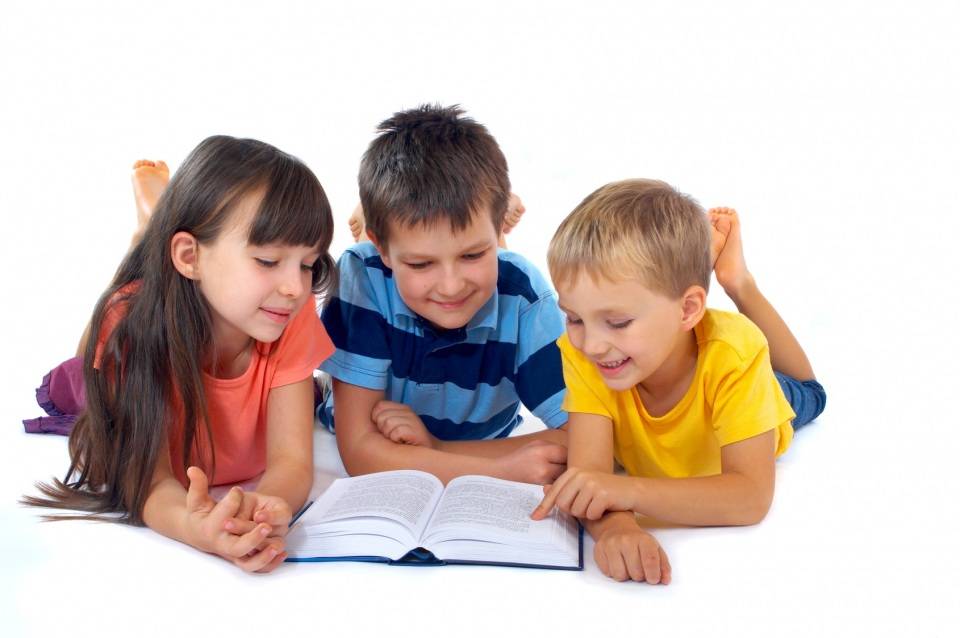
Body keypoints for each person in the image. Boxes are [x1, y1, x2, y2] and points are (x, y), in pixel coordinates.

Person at [25, 136, 336, 573]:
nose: (295, 287)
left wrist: (266, 509)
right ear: (190, 256)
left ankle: (155, 232)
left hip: (190, 293)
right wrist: (194, 527)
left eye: (308, 264)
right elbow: (148, 481)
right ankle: (147, 236)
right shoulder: (130, 330)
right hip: (123, 347)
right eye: (268, 261)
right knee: (90, 359)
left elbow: (292, 462)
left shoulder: (290, 313)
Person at [531, 179, 826, 584]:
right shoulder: (583, 351)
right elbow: (592, 476)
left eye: (618, 322)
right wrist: (618, 528)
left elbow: (751, 497)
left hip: (752, 393)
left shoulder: (736, 353)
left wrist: (627, 492)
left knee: (810, 393)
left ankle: (738, 281)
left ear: (688, 310)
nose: (592, 344)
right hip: (678, 362)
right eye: (574, 317)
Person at [318, 104, 569, 484]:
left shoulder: (525, 298)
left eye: (473, 254)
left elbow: (582, 438)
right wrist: (499, 470)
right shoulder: (362, 275)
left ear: (498, 234)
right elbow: (360, 450)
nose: (451, 286)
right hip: (357, 421)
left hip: (469, 440)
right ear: (381, 249)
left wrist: (435, 447)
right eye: (421, 264)